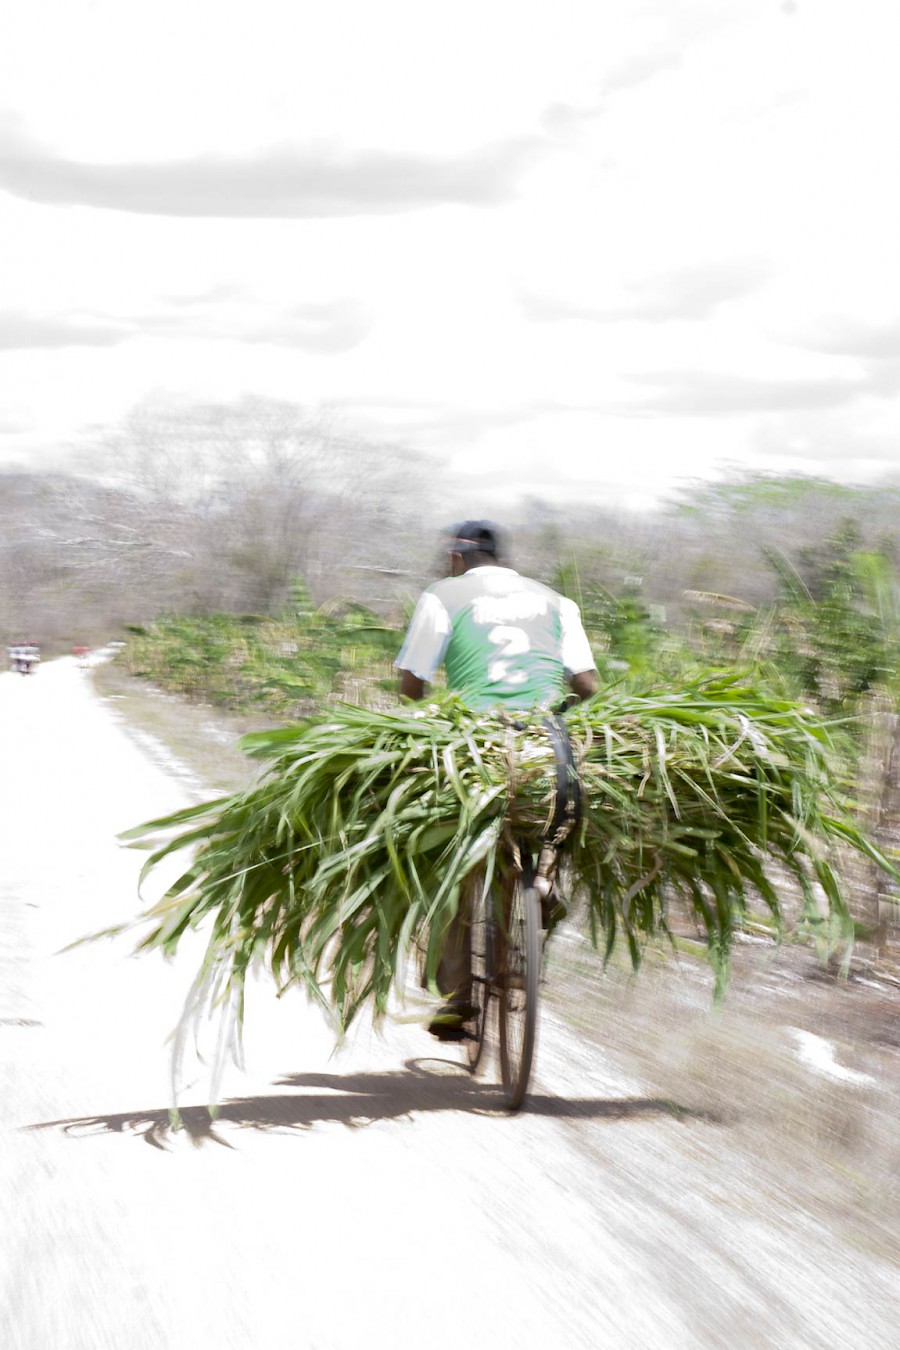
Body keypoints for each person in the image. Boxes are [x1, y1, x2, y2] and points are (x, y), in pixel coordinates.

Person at [395, 520, 599, 1037]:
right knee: (556, 814)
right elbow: (586, 684)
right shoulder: (556, 601)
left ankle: (457, 994)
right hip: (546, 743)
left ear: (457, 558)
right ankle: (543, 885)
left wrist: (424, 719)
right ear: (500, 558)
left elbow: (411, 684)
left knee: (453, 859)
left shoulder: (443, 595)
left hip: (476, 746)